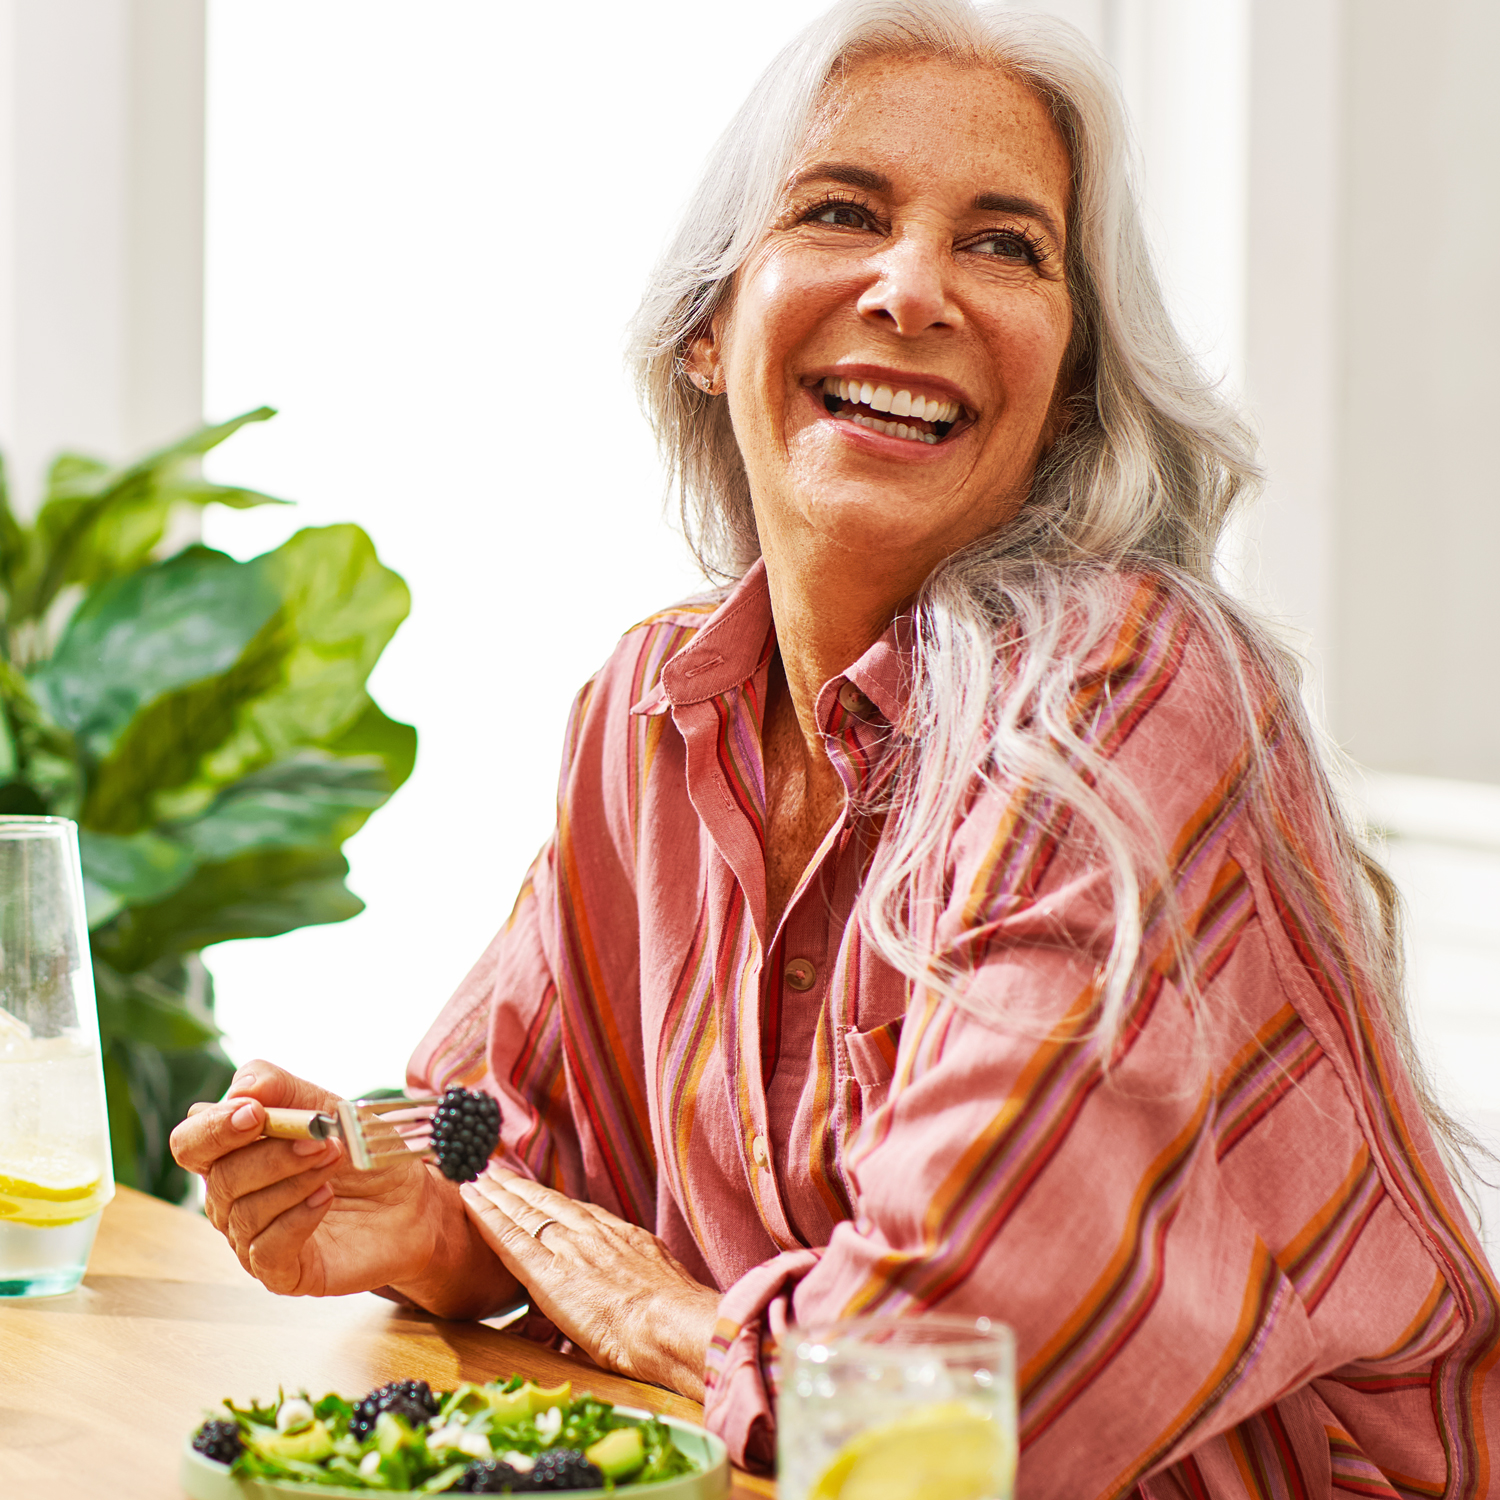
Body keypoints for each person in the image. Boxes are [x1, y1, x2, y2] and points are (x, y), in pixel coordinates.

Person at [171, 2, 1500, 1494]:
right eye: (841, 211)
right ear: (706, 326)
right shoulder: (652, 717)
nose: (915, 287)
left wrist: (646, 1306)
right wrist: (413, 1225)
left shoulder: (1117, 702)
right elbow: (506, 1150)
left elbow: (939, 1387)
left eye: (1005, 245)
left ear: (1064, 385)